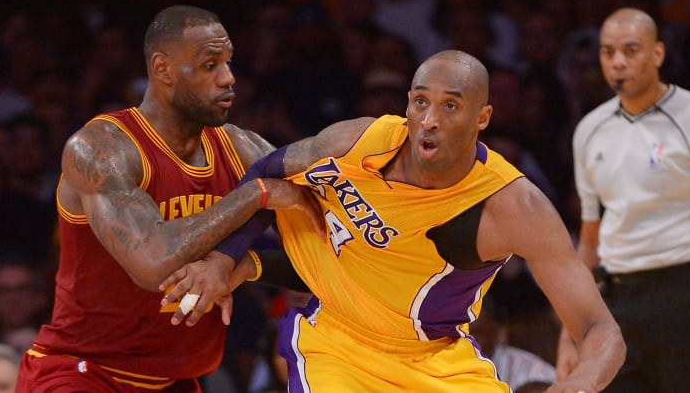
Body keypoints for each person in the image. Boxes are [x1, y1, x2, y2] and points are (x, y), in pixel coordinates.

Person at [163, 49, 625, 392]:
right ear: (406, 104)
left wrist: (579, 385)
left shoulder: (513, 206)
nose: (429, 120)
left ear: (482, 116)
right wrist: (226, 259)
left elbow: (600, 331)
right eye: (421, 102)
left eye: (450, 106)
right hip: (337, 344)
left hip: (436, 361)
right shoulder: (354, 142)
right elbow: (266, 173)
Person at [15, 5, 322, 392]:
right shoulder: (102, 148)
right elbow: (153, 265)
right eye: (210, 65)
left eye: (228, 62)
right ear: (163, 69)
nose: (228, 78)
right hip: (84, 372)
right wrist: (256, 194)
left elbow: (329, 262)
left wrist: (243, 264)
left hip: (174, 381)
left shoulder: (242, 149)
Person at [557, 7, 690, 392]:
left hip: (688, 289)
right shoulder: (589, 131)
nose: (618, 62)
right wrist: (570, 333)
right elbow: (588, 241)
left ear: (657, 54)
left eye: (631, 50)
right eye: (608, 52)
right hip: (619, 296)